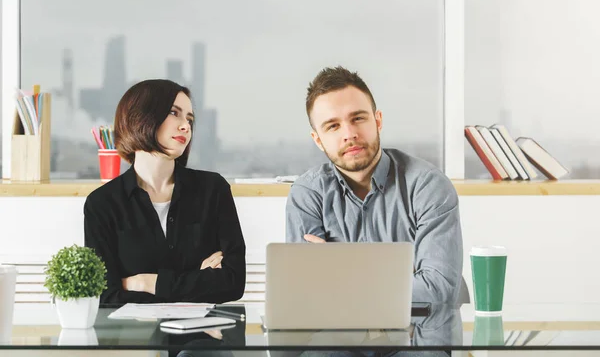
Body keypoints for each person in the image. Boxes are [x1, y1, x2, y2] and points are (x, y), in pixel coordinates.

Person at [286, 67, 465, 303]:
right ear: (318, 140)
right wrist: (398, 278)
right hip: (338, 336)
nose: (349, 134)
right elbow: (305, 290)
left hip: (420, 333)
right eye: (333, 126)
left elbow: (437, 288)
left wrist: (339, 269)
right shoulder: (307, 194)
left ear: (378, 121)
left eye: (358, 118)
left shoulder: (428, 186)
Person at [84, 79, 246, 304]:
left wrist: (143, 283)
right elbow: (105, 295)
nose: (186, 126)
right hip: (134, 337)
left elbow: (232, 283)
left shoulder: (214, 190)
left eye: (189, 118)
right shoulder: (102, 204)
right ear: (139, 117)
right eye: (174, 113)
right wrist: (197, 280)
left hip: (204, 335)